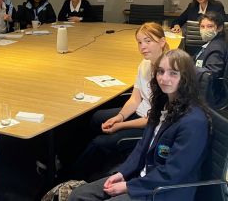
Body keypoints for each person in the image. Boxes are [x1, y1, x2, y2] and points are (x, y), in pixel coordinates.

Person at [68, 49, 210, 201]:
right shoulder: (162, 105)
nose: (164, 78)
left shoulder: (194, 122)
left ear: (185, 78)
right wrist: (122, 173)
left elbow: (172, 173)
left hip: (163, 191)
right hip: (141, 177)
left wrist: (129, 186)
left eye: (173, 73)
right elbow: (142, 147)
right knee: (78, 195)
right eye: (160, 72)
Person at [71, 22, 169, 180]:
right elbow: (135, 98)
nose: (143, 46)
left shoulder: (167, 75)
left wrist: (121, 125)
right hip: (140, 113)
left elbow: (154, 118)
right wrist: (120, 117)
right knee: (96, 117)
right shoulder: (144, 64)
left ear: (162, 42)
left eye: (148, 41)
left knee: (99, 142)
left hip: (152, 125)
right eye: (139, 42)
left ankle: (72, 176)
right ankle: (72, 158)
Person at [195, 11, 228, 107]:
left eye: (210, 26)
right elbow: (197, 58)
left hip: (211, 95)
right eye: (202, 26)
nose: (205, 30)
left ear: (219, 28)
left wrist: (188, 70)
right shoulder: (212, 43)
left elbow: (212, 71)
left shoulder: (217, 47)